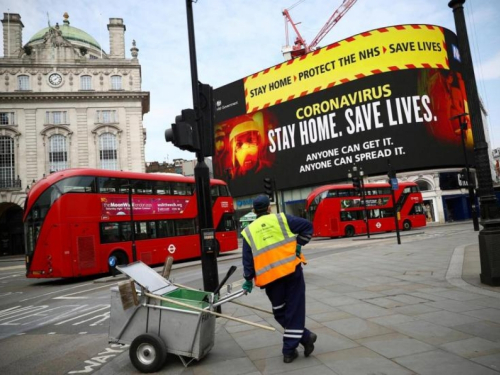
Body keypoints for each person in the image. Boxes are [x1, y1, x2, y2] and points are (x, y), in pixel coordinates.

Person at [241, 195, 316, 364]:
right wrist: (298, 244)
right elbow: (307, 227)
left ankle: (289, 349)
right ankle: (304, 338)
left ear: (254, 211)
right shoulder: (282, 219)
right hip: (291, 272)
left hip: (270, 280)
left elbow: (247, 259)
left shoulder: (248, 231)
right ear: (269, 208)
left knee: (280, 311)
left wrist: (248, 278)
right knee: (294, 310)